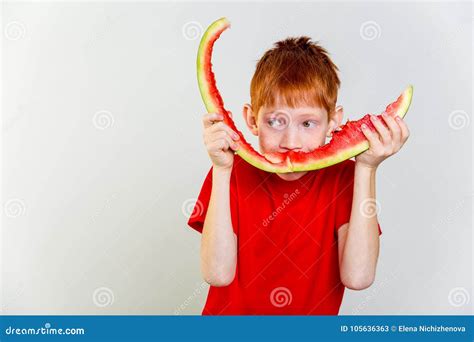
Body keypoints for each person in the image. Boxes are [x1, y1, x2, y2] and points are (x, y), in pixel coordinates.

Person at [187, 36, 410, 315]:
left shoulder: (344, 180)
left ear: (334, 121)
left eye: (307, 123)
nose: (291, 141)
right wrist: (221, 170)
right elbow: (217, 274)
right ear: (252, 119)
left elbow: (358, 277)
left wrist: (367, 168)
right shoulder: (229, 171)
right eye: (276, 121)